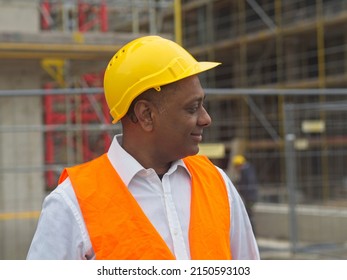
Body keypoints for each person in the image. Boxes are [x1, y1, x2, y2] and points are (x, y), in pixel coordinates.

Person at [27, 35, 259, 260]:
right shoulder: (72, 204)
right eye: (192, 108)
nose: (206, 119)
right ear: (146, 114)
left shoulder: (217, 183)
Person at [231, 155, 258, 231]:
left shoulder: (245, 171)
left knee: (249, 215)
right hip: (251, 196)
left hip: (249, 197)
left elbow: (246, 184)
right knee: (249, 215)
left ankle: (251, 231)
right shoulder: (249, 169)